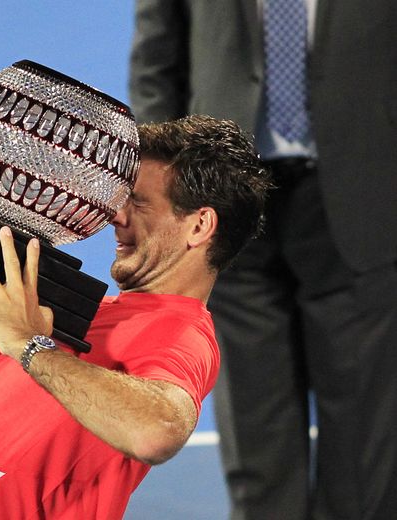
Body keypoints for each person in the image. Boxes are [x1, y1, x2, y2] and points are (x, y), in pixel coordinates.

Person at [0, 115, 270, 519]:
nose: (116, 215)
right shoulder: (75, 319)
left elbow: (158, 432)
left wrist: (28, 345)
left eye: (138, 202)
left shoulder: (182, 333)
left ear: (199, 225)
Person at [128, 2, 397, 519]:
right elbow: (156, 62)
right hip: (224, 196)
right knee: (255, 424)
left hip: (367, 186)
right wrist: (162, 187)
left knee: (367, 438)